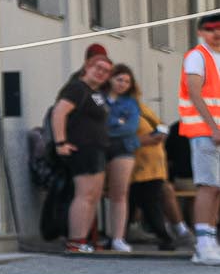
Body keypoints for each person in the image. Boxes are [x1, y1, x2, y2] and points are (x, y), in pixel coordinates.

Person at [48, 52, 115, 255]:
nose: (102, 73)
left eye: (106, 71)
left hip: (97, 149)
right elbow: (59, 112)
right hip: (82, 149)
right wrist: (61, 142)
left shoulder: (95, 92)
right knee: (84, 195)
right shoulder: (77, 88)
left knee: (93, 196)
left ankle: (83, 240)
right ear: (87, 67)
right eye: (98, 68)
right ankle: (75, 241)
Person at [178, 9, 220, 266]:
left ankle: (210, 240)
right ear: (200, 32)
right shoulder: (197, 56)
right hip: (205, 132)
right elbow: (195, 92)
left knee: (217, 188)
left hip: (214, 132)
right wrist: (213, 128)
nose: (216, 33)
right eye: (210, 29)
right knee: (208, 185)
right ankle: (203, 244)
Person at [124, 81, 185, 252]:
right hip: (136, 165)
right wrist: (145, 140)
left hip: (153, 165)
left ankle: (170, 234)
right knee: (149, 202)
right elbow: (118, 136)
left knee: (142, 200)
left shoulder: (141, 108)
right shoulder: (118, 109)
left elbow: (161, 125)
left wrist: (160, 134)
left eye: (127, 83)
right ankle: (167, 235)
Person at [101, 61, 144, 253]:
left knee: (119, 193)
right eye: (119, 79)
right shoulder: (98, 98)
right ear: (110, 79)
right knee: (93, 193)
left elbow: (130, 128)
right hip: (98, 148)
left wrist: (109, 127)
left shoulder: (131, 102)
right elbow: (95, 122)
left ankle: (118, 237)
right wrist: (115, 122)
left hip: (123, 149)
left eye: (127, 81)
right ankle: (93, 236)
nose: (123, 84)